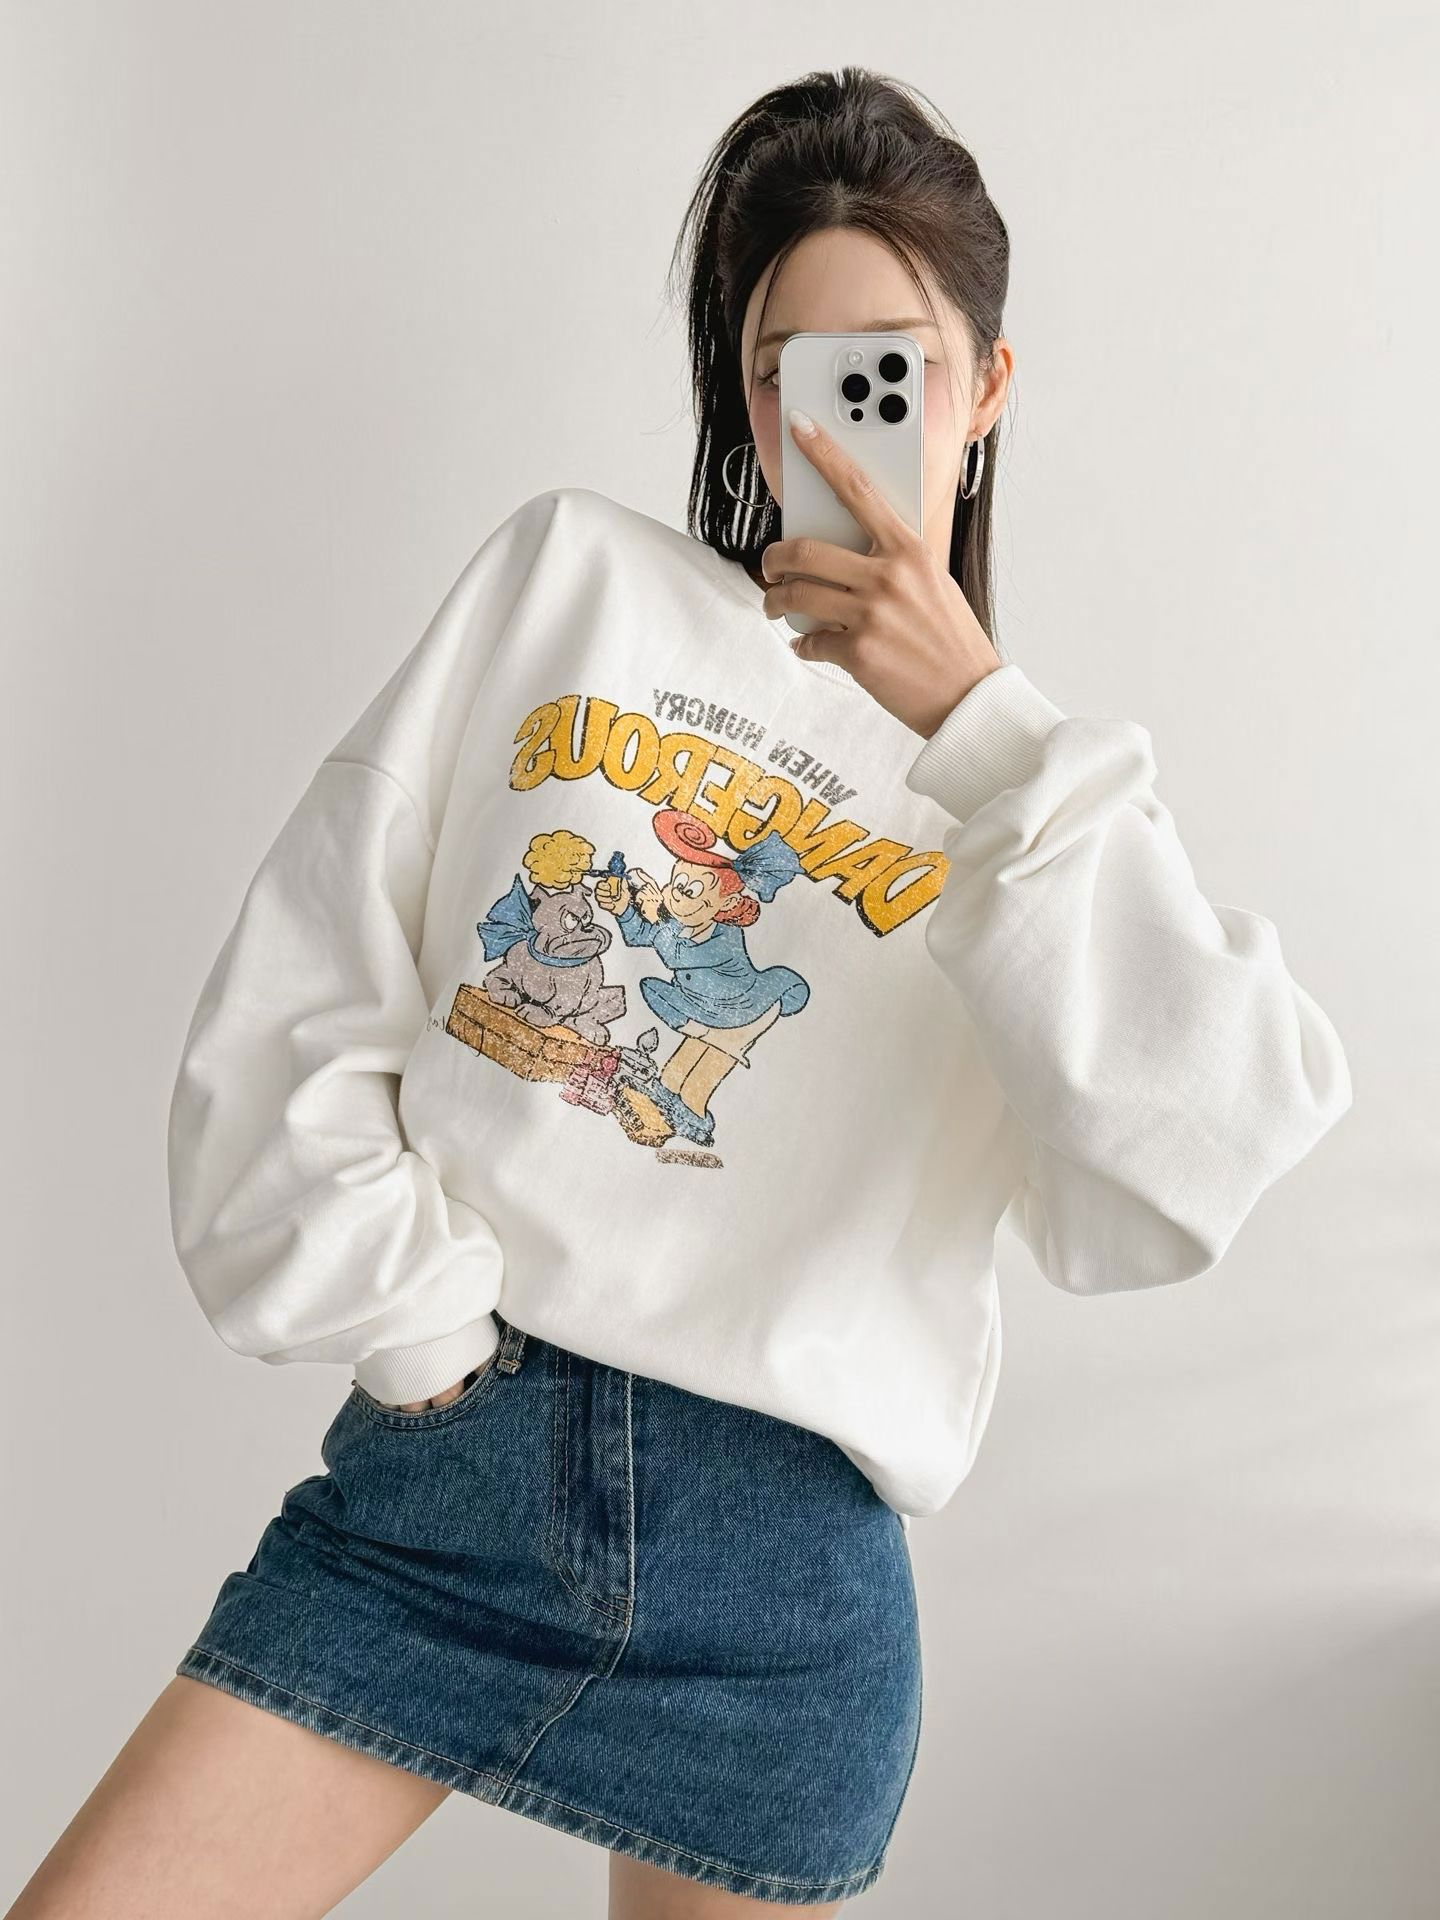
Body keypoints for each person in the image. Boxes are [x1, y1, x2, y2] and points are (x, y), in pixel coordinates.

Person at [8, 64, 1352, 1920]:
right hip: (446, 1490)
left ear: (985, 390)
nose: (836, 418)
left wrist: (981, 725)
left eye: (891, 367)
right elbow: (306, 983)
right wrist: (422, 1348)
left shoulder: (1039, 807)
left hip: (781, 1597)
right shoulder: (569, 582)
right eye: (786, 367)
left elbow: (1200, 1153)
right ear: (743, 387)